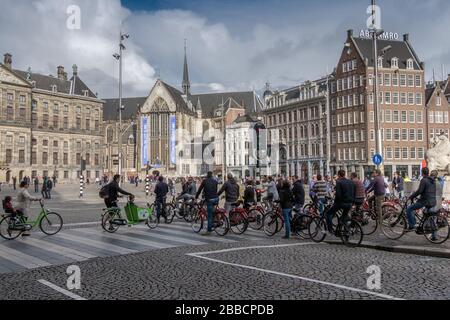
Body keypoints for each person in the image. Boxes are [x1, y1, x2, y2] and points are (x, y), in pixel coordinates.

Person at [407, 167, 437, 232]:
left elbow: (419, 191)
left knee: (409, 209)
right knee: (429, 215)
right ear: (428, 172)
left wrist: (411, 196)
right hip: (433, 201)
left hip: (425, 201)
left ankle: (412, 225)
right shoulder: (433, 180)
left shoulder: (424, 180)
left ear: (422, 173)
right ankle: (434, 235)